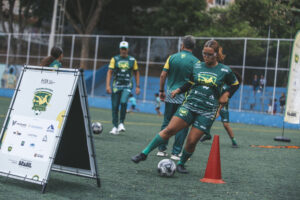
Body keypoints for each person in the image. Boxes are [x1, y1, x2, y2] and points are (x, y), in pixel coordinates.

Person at [131, 40, 240, 174]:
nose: (206, 57)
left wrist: (227, 94)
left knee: (191, 141)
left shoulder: (224, 70)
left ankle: (181, 163)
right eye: (204, 54)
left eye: (209, 54)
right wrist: (179, 90)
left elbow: (235, 84)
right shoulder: (197, 66)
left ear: (216, 54)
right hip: (189, 105)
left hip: (206, 112)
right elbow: (190, 83)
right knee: (169, 129)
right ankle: (143, 154)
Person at [156, 35, 199, 161]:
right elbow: (195, 80)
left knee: (167, 121)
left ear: (182, 45)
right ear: (193, 47)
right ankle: (176, 153)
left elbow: (163, 75)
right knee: (183, 124)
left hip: (170, 94)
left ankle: (161, 150)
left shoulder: (172, 57)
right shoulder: (196, 62)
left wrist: (161, 91)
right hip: (185, 97)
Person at [106, 41, 140, 135]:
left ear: (128, 49)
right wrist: (108, 85)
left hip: (127, 86)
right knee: (115, 106)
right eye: (122, 49)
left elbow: (137, 72)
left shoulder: (133, 60)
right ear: (120, 49)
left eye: (125, 49)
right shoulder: (115, 59)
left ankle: (121, 123)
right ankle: (114, 126)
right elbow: (109, 72)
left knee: (124, 101)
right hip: (116, 86)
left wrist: (138, 86)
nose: (124, 51)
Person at [199, 75, 242, 148]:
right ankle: (207, 135)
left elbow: (224, 100)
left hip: (223, 106)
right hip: (214, 105)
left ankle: (233, 141)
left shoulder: (229, 88)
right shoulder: (219, 83)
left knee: (226, 125)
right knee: (207, 120)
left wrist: (218, 110)